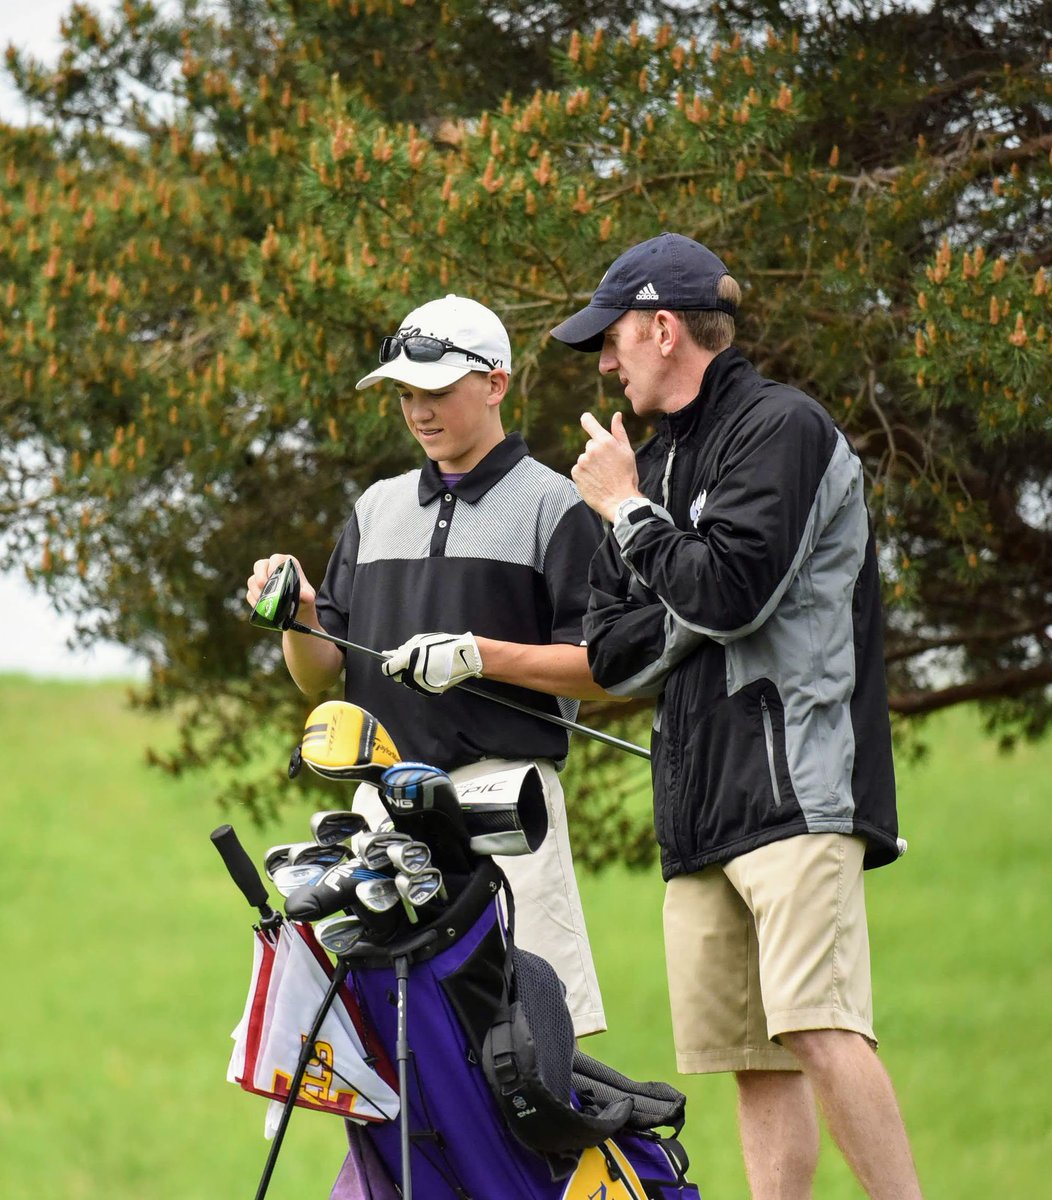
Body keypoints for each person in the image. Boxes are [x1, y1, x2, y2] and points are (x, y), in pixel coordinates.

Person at [551, 232, 923, 1197]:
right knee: (753, 1059)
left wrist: (631, 514)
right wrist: (665, 546)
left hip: (797, 782)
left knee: (819, 1026)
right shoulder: (657, 463)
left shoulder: (781, 430)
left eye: (614, 339)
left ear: (663, 328)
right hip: (700, 803)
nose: (605, 360)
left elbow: (726, 593)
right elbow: (610, 648)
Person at [246, 293, 607, 1036]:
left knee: (526, 1053)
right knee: (400, 1053)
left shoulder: (553, 506)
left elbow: (598, 666)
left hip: (505, 806)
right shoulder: (374, 509)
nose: (419, 411)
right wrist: (300, 615)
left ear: (496, 382)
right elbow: (321, 675)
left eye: (436, 391)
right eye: (407, 393)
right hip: (384, 813)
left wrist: (478, 657)